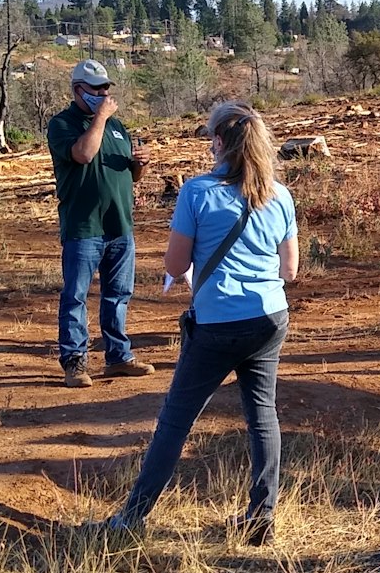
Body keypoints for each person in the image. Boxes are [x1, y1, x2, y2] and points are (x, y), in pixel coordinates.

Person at [112, 101, 299, 543]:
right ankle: (260, 519)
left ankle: (132, 518)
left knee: (176, 421)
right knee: (262, 417)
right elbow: (289, 270)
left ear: (218, 142)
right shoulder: (280, 194)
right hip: (269, 318)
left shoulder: (197, 192)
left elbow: (176, 264)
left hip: (217, 323)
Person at [48, 58, 154, 388]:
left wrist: (141, 164)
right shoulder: (63, 124)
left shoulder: (119, 128)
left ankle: (118, 357)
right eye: (97, 88)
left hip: (119, 225)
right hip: (84, 226)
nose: (105, 93)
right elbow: (83, 154)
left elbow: (130, 175)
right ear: (79, 90)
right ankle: (75, 361)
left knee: (118, 294)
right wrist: (100, 118)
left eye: (107, 87)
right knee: (76, 295)